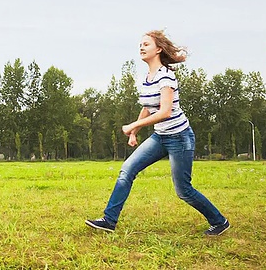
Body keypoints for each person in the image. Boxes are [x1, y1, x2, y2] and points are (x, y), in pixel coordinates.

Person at [85, 30, 229, 236]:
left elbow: (164, 111)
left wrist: (132, 124)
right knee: (127, 170)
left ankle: (219, 221)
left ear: (159, 49)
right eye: (140, 45)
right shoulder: (148, 77)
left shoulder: (166, 76)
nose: (141, 47)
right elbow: (147, 107)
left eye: (146, 44)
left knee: (183, 190)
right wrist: (135, 130)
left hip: (179, 137)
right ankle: (109, 220)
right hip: (160, 137)